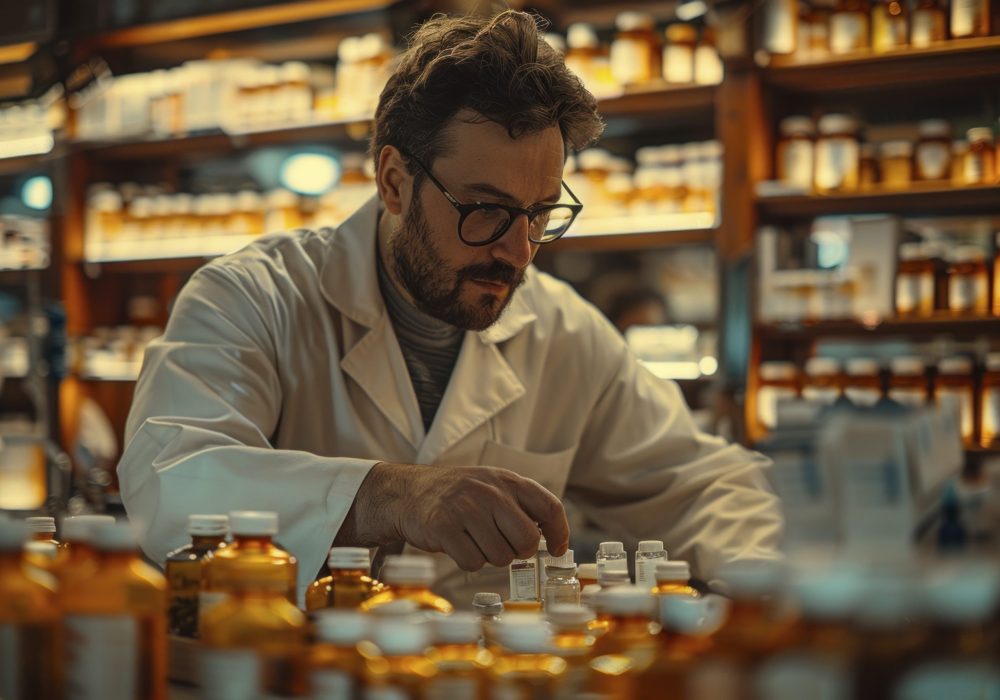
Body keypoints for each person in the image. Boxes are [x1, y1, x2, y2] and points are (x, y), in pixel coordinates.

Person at [119, 10, 781, 604]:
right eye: (486, 210)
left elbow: (703, 484)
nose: (519, 252)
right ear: (394, 182)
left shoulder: (565, 332)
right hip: (292, 669)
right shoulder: (253, 297)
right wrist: (391, 494)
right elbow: (172, 480)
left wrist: (788, 584)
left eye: (541, 214)